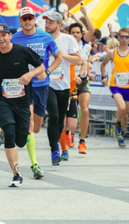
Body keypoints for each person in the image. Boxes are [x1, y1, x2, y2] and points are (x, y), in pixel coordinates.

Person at [0, 24, 45, 187]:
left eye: (3, 35)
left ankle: (16, 142)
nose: (0, 38)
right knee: (10, 134)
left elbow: (41, 66)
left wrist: (30, 74)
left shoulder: (22, 51)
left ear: (9, 36)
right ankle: (16, 173)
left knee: (21, 139)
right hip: (3, 100)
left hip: (22, 101)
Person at [11, 7, 62, 179]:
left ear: (35, 20)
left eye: (30, 18)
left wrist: (47, 72)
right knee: (30, 123)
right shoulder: (14, 38)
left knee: (37, 127)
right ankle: (35, 164)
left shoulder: (46, 37)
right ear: (20, 21)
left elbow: (59, 57)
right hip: (24, 86)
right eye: (24, 19)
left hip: (42, 85)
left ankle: (26, 133)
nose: (27, 21)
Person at [42, 10, 82, 165]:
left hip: (64, 85)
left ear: (59, 25)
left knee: (59, 121)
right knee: (53, 115)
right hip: (47, 83)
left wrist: (61, 55)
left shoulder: (68, 39)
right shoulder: (42, 38)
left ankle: (55, 144)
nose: (47, 25)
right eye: (46, 22)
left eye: (51, 22)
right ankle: (54, 150)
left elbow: (78, 61)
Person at [100, 27, 129, 148]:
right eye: (121, 36)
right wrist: (103, 77)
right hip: (115, 85)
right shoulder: (112, 52)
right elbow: (103, 65)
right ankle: (117, 126)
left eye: (126, 37)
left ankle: (120, 135)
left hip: (128, 86)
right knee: (121, 107)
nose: (124, 39)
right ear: (118, 37)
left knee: (126, 114)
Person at [67, 23, 94, 154]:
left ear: (81, 34)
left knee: (85, 109)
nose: (75, 35)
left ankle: (82, 141)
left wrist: (88, 71)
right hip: (68, 82)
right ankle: (69, 133)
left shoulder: (86, 46)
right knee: (67, 112)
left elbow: (86, 60)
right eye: (73, 32)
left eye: (78, 32)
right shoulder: (65, 46)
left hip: (82, 81)